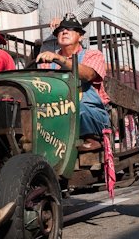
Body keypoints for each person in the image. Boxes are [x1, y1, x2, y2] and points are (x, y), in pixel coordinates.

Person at [34, 14, 109, 150]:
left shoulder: (92, 55)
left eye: (70, 29)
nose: (64, 32)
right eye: (61, 30)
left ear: (80, 37)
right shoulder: (47, 61)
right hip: (56, 113)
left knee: (79, 108)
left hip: (89, 114)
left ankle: (92, 138)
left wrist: (59, 59)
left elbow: (88, 74)